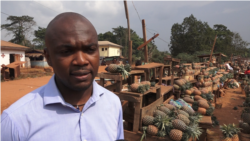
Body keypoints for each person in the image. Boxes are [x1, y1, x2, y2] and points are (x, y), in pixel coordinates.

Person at [0, 12, 124, 141]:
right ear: (48, 57)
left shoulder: (113, 104)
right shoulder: (15, 122)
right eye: (66, 52)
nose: (81, 61)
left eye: (90, 49)